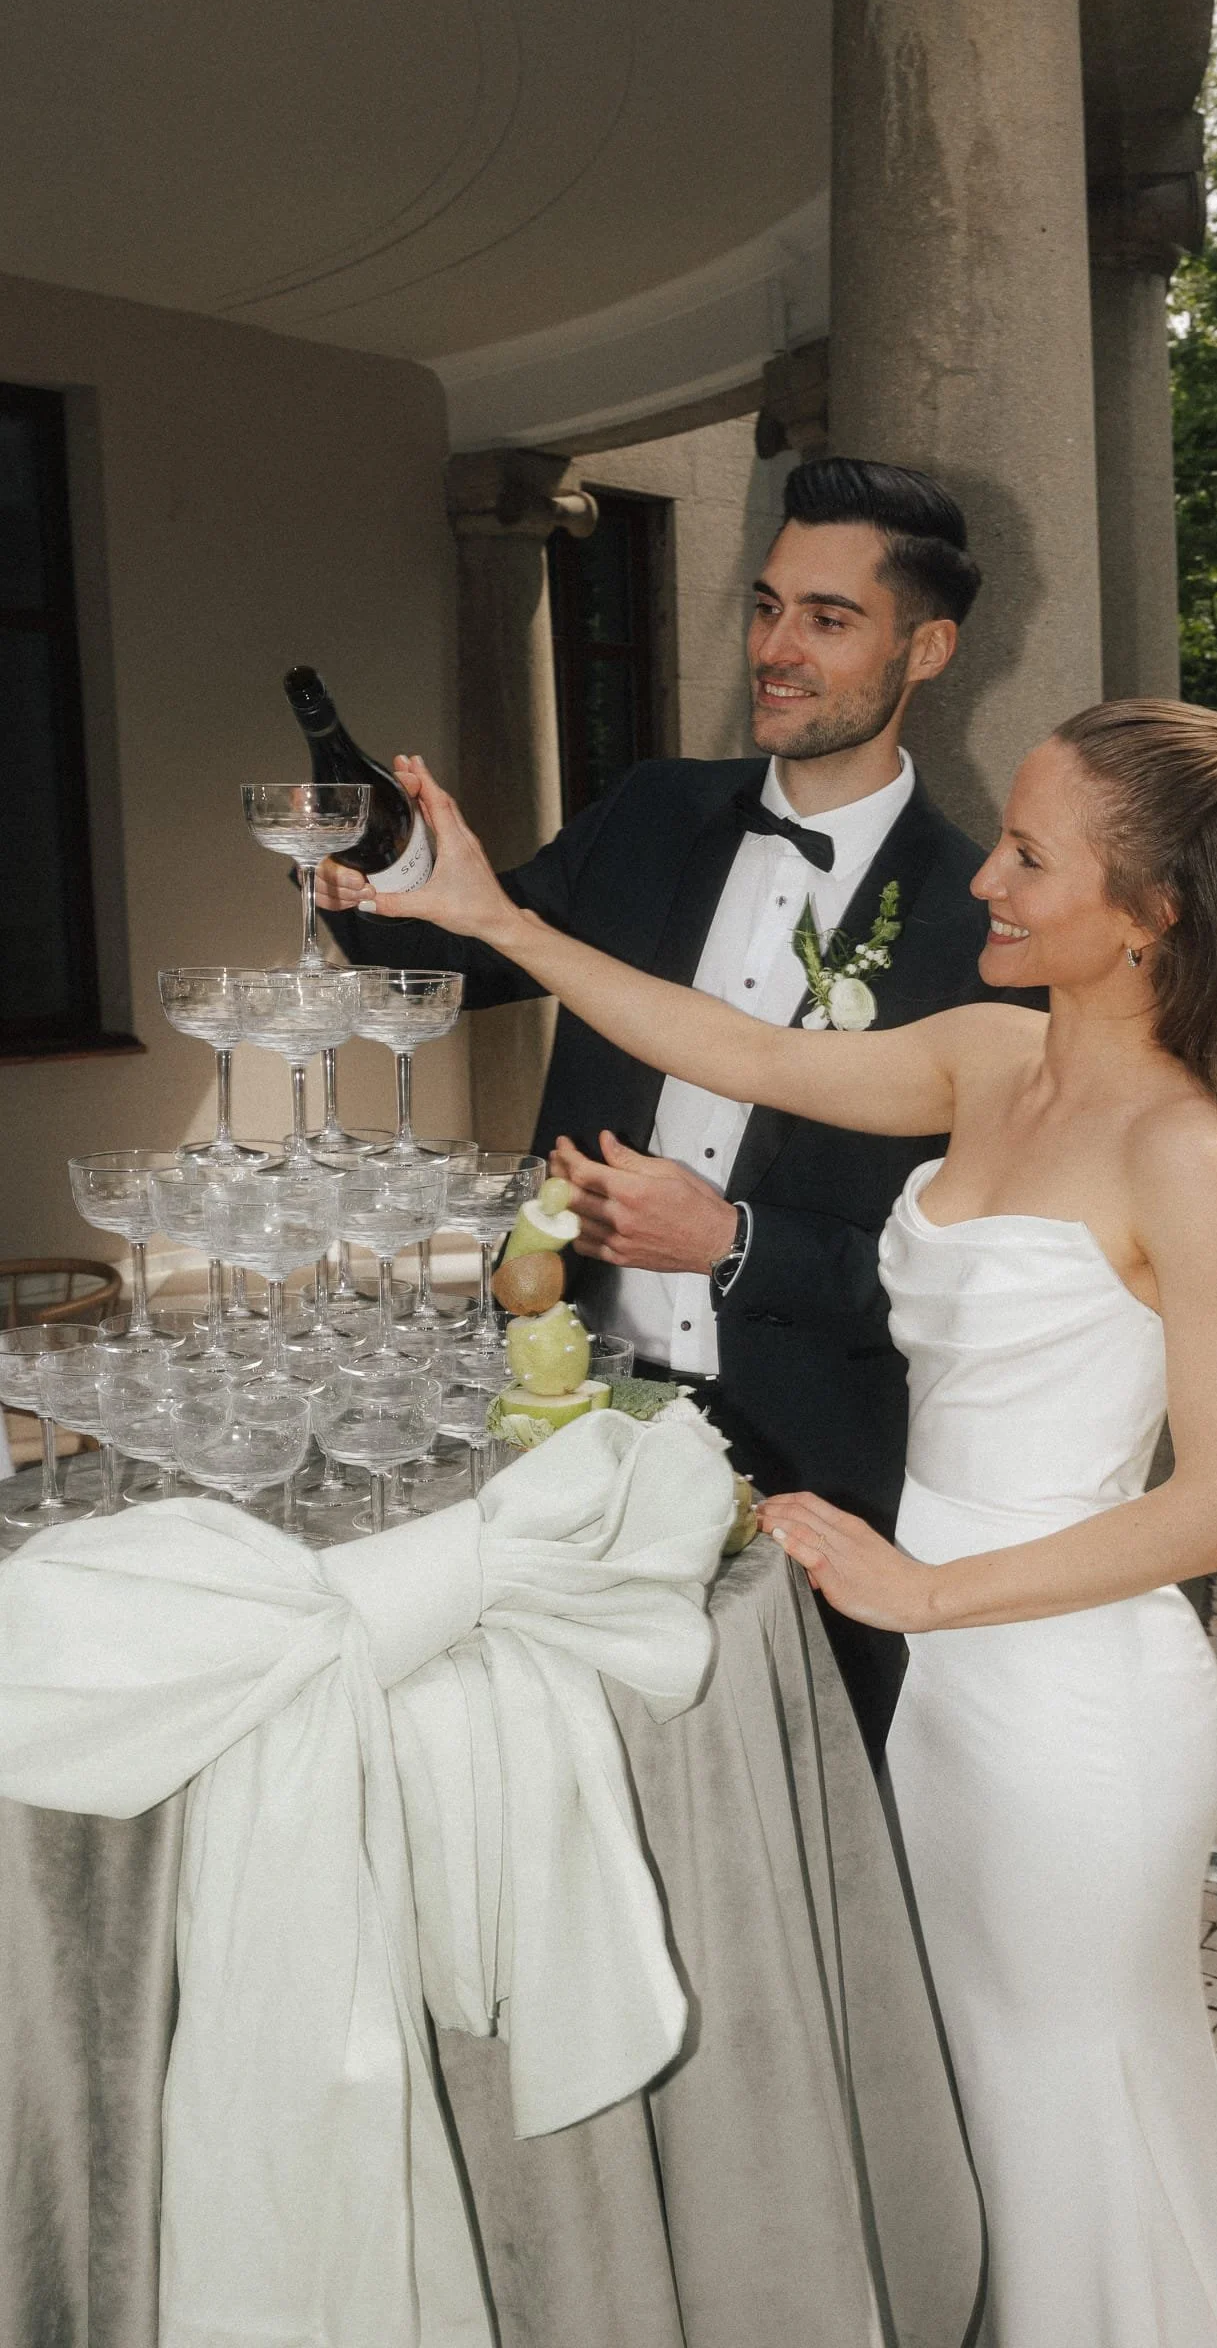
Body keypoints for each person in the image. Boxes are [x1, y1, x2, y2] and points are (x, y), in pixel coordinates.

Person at [352, 703, 1217, 2346]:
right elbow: (739, 1052)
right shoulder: (988, 1056)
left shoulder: (1188, 1155)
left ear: (1152, 915)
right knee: (974, 2087)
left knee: (1065, 2091)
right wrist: (498, 920)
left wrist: (925, 1596)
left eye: (1030, 856)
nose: (987, 880)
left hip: (1071, 1703)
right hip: (943, 1674)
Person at [317, 457, 1035, 1764]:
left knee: (800, 1815)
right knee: (559, 1777)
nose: (775, 649)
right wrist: (379, 860)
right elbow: (446, 958)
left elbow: (968, 1282)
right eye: (765, 607)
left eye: (828, 618)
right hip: (561, 1410)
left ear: (926, 648)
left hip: (814, 1457)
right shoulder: (651, 812)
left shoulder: (977, 925)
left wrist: (733, 1243)